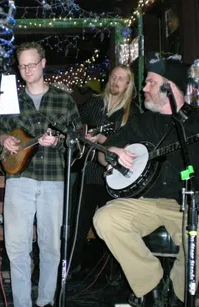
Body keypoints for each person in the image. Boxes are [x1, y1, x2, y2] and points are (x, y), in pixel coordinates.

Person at [93, 54, 193, 307]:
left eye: (150, 82)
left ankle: (179, 296)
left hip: (186, 204)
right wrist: (111, 154)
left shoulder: (195, 122)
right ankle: (152, 288)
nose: (144, 89)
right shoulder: (142, 121)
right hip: (144, 202)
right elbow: (104, 152)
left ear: (168, 87)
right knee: (105, 218)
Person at [0, 42, 82, 307]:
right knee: (17, 246)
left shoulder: (64, 99)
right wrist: (4, 139)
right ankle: (21, 305)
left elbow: (77, 144)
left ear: (44, 63)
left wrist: (58, 142)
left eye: (31, 64)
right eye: (22, 66)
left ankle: (45, 301)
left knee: (50, 245)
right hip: (19, 178)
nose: (27, 70)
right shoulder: (10, 101)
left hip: (53, 178)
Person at [69, 65, 140, 274]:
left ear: (128, 84)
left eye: (121, 79)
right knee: (79, 220)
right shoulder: (94, 103)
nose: (116, 82)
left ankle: (115, 272)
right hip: (89, 171)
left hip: (117, 177)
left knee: (115, 225)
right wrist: (84, 136)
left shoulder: (132, 111)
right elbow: (75, 125)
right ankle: (72, 266)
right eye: (114, 77)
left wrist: (104, 139)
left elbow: (135, 143)